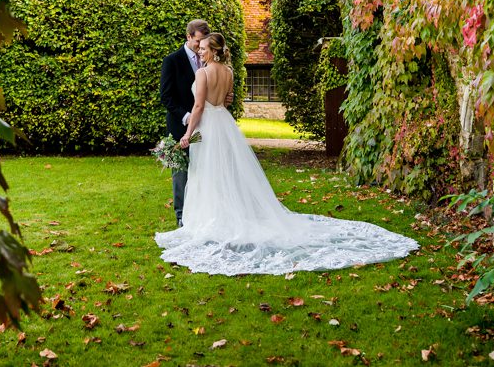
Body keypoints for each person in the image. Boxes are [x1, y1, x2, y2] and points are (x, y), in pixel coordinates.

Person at [155, 33, 419, 275]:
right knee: (226, 171)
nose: (199, 52)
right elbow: (226, 101)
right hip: (224, 123)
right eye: (198, 48)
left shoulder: (202, 74)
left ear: (212, 51)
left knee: (207, 172)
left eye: (202, 49)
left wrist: (188, 133)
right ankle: (228, 213)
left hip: (208, 126)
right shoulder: (229, 72)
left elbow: (199, 105)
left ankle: (212, 219)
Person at [159, 19, 211, 227]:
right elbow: (166, 97)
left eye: (204, 42)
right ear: (189, 37)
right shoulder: (172, 61)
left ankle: (202, 212)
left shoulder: (208, 59)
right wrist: (186, 116)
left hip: (206, 125)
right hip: (180, 125)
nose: (201, 46)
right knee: (180, 172)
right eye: (198, 41)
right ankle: (181, 215)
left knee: (205, 168)